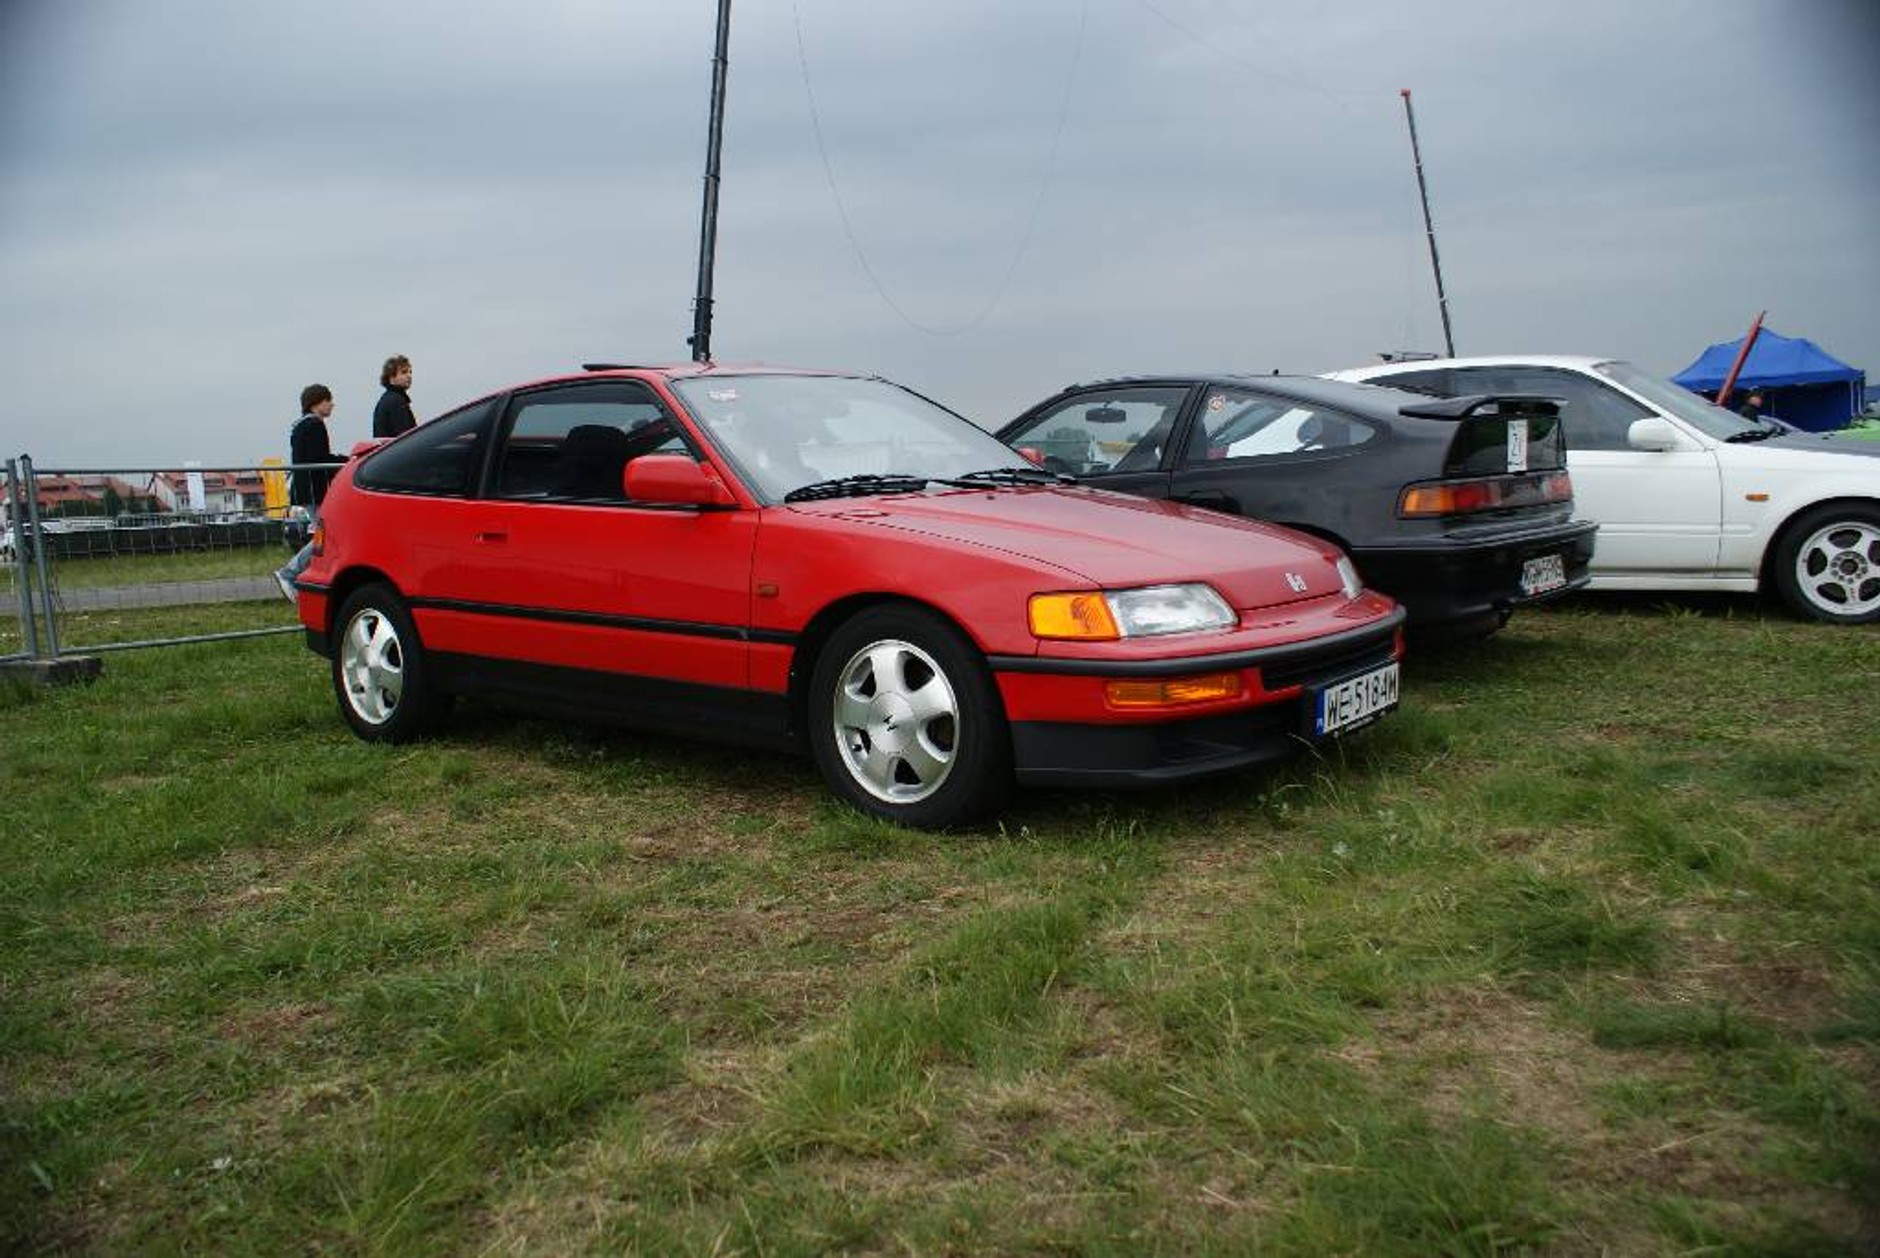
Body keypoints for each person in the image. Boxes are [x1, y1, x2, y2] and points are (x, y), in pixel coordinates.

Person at [274, 384, 344, 604]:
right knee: (327, 534)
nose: (332, 404)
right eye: (328, 400)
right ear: (316, 402)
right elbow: (319, 459)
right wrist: (346, 461)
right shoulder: (315, 425)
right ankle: (290, 573)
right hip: (315, 489)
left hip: (304, 488)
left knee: (325, 535)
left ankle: (306, 580)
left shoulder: (300, 426)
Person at [372, 354, 416, 439]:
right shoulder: (396, 401)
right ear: (391, 378)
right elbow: (405, 437)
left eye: (410, 372)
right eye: (404, 372)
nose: (409, 376)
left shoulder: (388, 399)